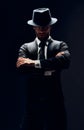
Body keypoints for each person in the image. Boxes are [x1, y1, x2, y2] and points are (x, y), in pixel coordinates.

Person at [16, 8, 70, 130]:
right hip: (33, 105)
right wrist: (52, 64)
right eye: (38, 26)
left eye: (45, 26)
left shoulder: (60, 45)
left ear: (50, 26)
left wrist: (34, 64)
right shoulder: (26, 48)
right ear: (34, 27)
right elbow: (21, 69)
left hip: (55, 104)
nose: (41, 29)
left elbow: (64, 61)